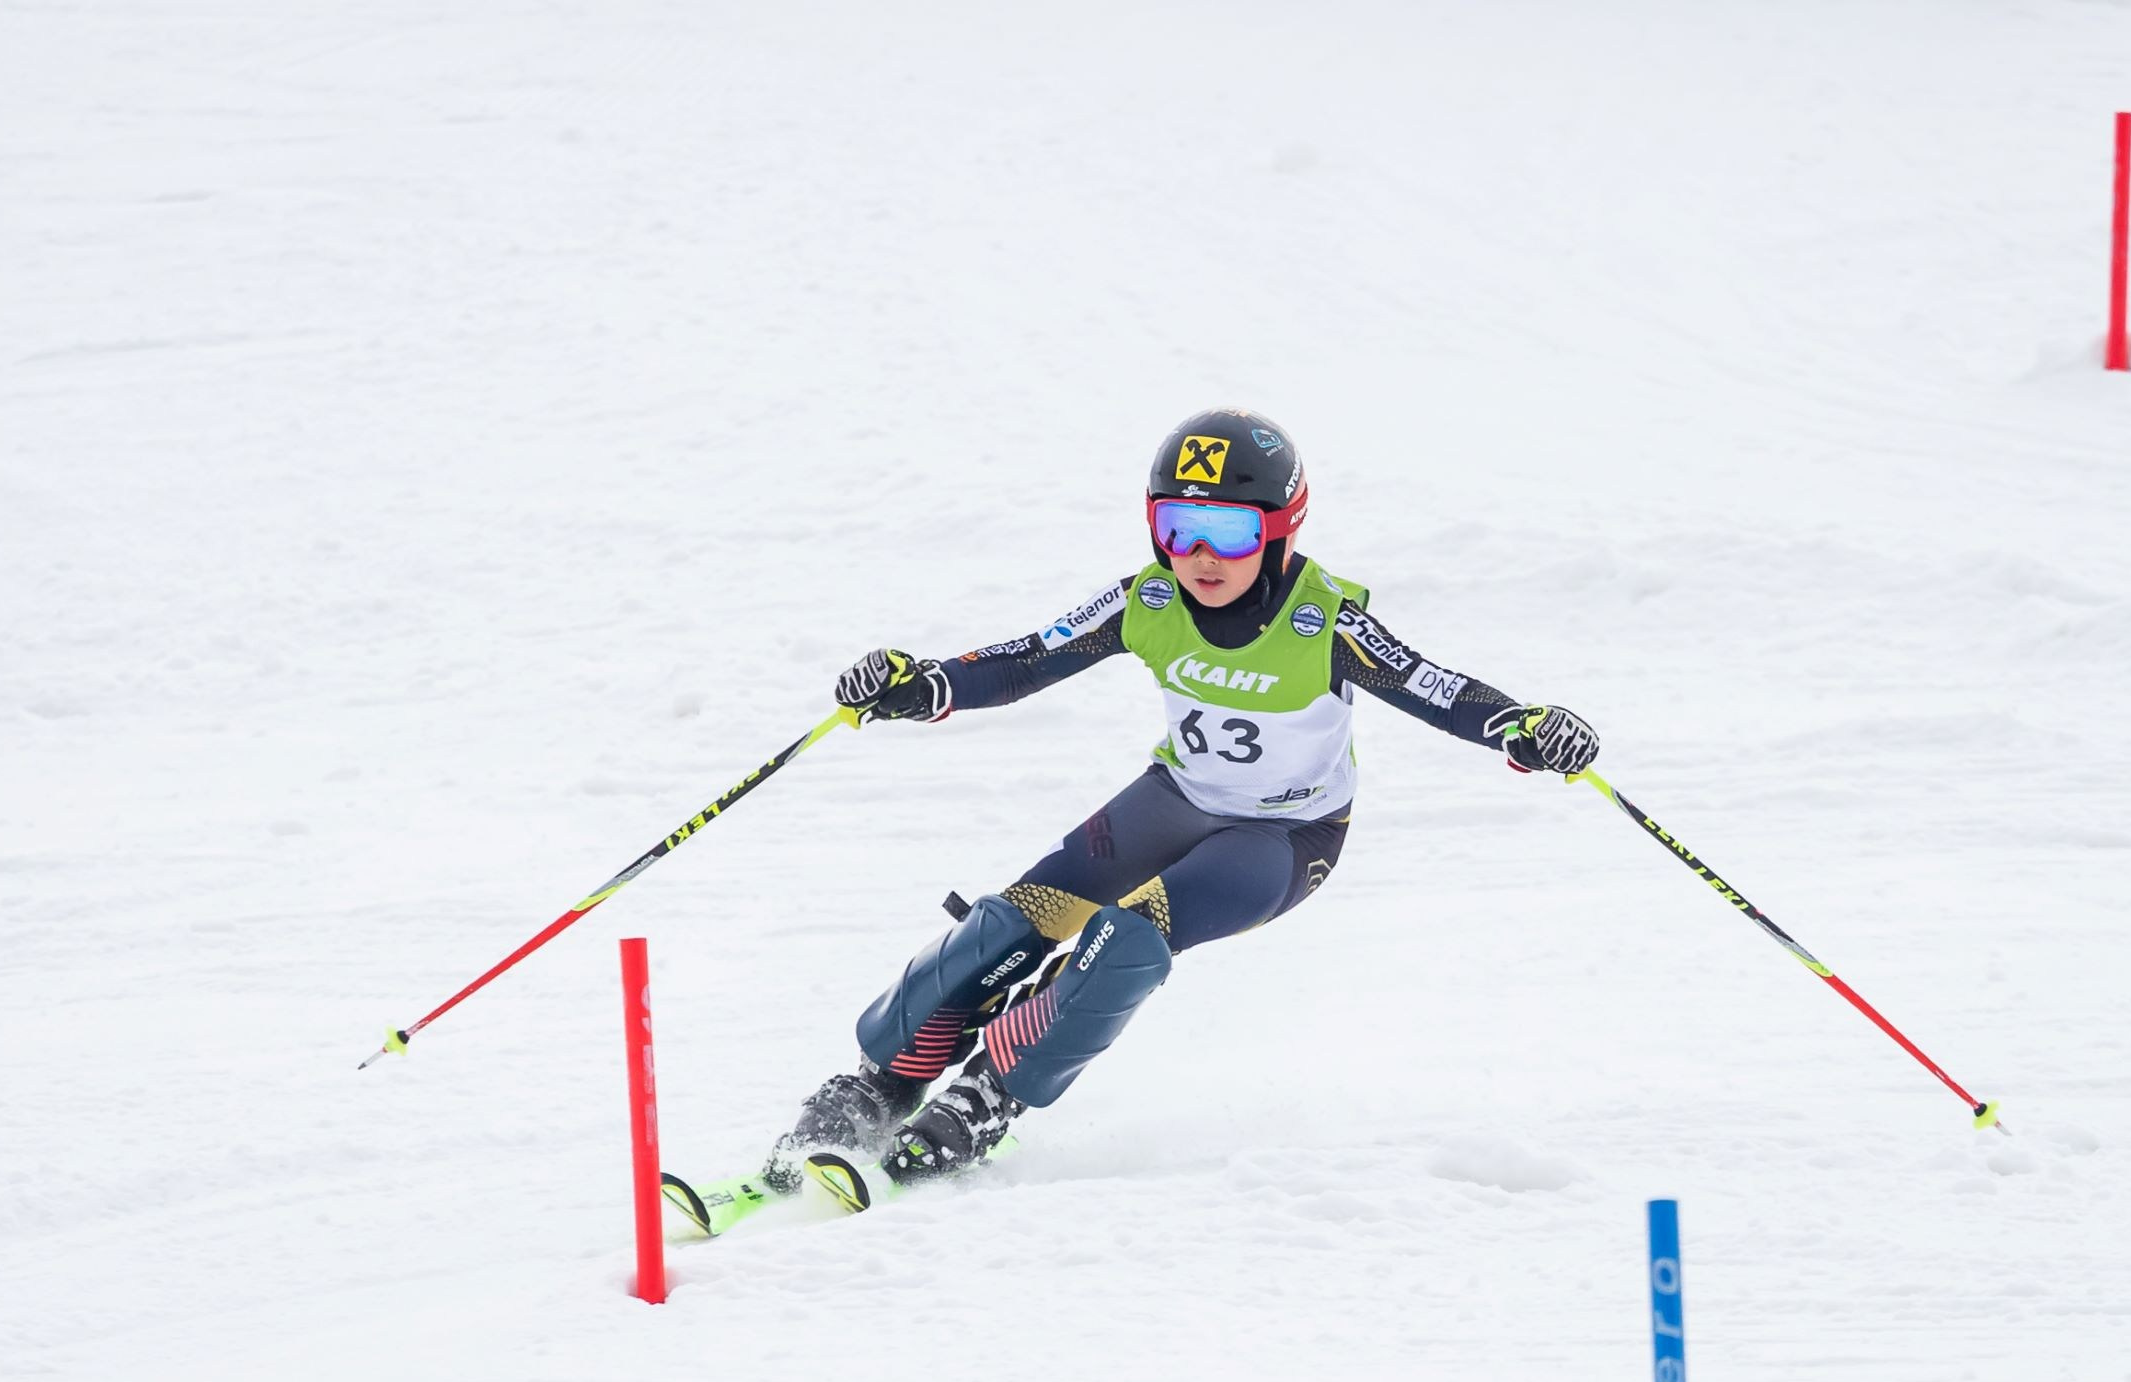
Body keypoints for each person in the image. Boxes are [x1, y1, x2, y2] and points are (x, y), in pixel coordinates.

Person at [673, 408, 1599, 1225]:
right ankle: (885, 1086)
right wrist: (925, 684)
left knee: (1123, 936)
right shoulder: (1146, 599)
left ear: (1279, 532)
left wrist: (1523, 727)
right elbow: (1027, 658)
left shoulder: (1326, 621)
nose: (1201, 555)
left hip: (1283, 838)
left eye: (1230, 531)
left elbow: (1435, 688)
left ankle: (989, 1098)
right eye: (1179, 525)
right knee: (1006, 924)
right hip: (1171, 801)